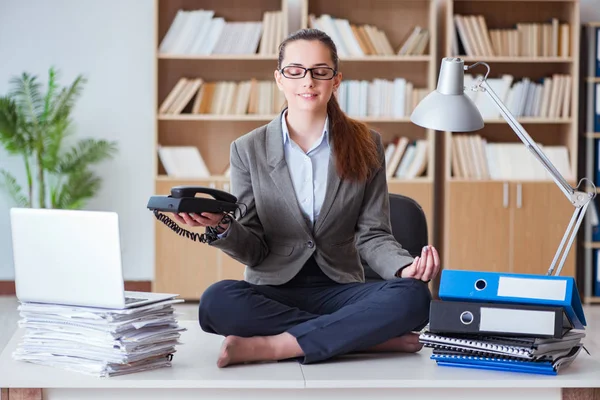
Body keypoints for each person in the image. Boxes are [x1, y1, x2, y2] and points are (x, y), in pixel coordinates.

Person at [171, 28, 441, 368]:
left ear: (336, 80)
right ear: (280, 79)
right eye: (295, 71)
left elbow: (373, 234)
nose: (307, 81)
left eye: (320, 71)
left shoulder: (366, 144)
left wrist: (404, 266)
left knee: (415, 297)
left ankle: (275, 346)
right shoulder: (247, 149)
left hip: (342, 290)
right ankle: (365, 339)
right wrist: (223, 227)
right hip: (273, 290)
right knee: (215, 302)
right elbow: (252, 247)